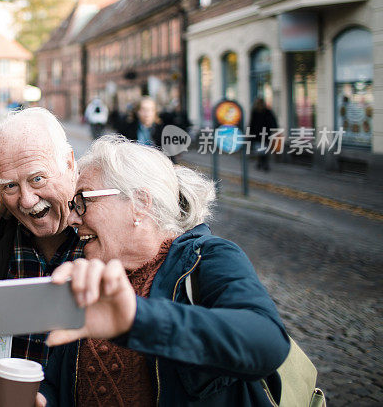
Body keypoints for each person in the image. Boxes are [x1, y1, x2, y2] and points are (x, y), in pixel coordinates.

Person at [39, 136, 290, 406]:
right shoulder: (90, 276)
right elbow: (59, 382)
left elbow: (267, 341)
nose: (73, 218)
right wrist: (42, 399)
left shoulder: (207, 258)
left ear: (140, 203)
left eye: (82, 200)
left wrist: (137, 319)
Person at [0, 107, 84, 366]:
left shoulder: (106, 228)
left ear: (69, 164)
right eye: (11, 186)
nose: (26, 200)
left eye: (37, 179)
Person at [249, 98, 278, 172]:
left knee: (263, 149)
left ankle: (263, 163)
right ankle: (262, 163)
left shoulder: (265, 112)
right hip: (260, 134)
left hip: (263, 134)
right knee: (261, 149)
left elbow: (272, 121)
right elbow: (252, 123)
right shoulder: (256, 112)